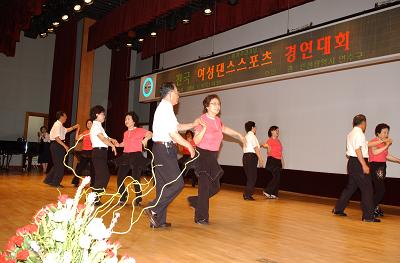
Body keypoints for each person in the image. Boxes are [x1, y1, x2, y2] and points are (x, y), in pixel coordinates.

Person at [188, 94, 246, 225]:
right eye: (214, 103)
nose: (217, 106)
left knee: (215, 187)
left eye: (218, 104)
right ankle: (201, 217)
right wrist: (204, 129)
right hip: (203, 154)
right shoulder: (201, 120)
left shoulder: (218, 121)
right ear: (207, 106)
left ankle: (195, 201)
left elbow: (225, 129)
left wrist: (238, 135)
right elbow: (195, 140)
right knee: (204, 187)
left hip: (213, 156)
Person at [145, 82, 196, 229]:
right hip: (165, 150)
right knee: (177, 184)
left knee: (163, 186)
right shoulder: (165, 109)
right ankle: (153, 208)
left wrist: (193, 124)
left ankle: (158, 220)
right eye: (177, 92)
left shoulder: (165, 108)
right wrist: (188, 145)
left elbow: (177, 127)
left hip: (161, 149)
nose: (179, 95)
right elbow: (173, 134)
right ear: (170, 93)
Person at [333, 114, 389, 222]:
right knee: (367, 188)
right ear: (363, 123)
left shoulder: (351, 133)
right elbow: (358, 149)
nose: (366, 125)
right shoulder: (359, 134)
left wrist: (382, 141)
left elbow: (366, 144)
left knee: (350, 188)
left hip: (352, 163)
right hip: (358, 163)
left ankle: (338, 209)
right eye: (366, 123)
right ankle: (368, 216)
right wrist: (364, 165)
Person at [115, 111, 152, 206]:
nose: (126, 120)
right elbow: (125, 143)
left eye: (128, 119)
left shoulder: (140, 130)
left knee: (136, 178)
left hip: (136, 156)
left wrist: (145, 139)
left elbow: (150, 133)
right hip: (125, 156)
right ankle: (123, 196)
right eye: (125, 119)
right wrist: (119, 144)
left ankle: (138, 199)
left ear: (133, 121)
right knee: (119, 178)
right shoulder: (125, 133)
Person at [368, 123, 399, 217]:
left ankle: (374, 208)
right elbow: (375, 152)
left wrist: (398, 161)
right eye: (384, 132)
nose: (386, 134)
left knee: (379, 189)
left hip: (382, 166)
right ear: (378, 133)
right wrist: (387, 144)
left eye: (387, 132)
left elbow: (386, 155)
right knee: (381, 190)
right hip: (375, 166)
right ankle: (370, 209)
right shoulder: (373, 141)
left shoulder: (383, 143)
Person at [89, 105, 118, 205]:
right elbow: (102, 138)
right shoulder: (95, 125)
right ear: (97, 114)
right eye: (102, 114)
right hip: (98, 153)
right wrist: (112, 145)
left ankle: (94, 198)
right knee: (103, 176)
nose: (104, 116)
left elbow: (106, 137)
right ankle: (93, 199)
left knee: (102, 176)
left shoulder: (99, 126)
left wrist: (112, 140)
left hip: (101, 153)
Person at [44, 111, 79, 187]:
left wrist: (74, 127)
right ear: (61, 116)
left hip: (57, 145)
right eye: (65, 116)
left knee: (57, 164)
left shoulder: (60, 125)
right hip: (57, 145)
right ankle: (55, 183)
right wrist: (65, 146)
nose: (66, 117)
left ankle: (48, 180)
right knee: (60, 165)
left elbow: (66, 130)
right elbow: (56, 138)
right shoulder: (57, 125)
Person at [242, 121, 264, 200]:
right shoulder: (252, 136)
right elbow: (255, 148)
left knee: (250, 177)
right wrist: (261, 159)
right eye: (255, 127)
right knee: (252, 177)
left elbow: (252, 147)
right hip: (251, 157)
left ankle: (246, 194)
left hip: (246, 157)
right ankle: (247, 195)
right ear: (252, 127)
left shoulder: (246, 136)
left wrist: (260, 145)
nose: (256, 129)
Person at [261, 126, 283, 199]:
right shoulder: (269, 140)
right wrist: (267, 147)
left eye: (278, 130)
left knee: (278, 177)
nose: (277, 132)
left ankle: (274, 194)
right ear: (272, 131)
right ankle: (267, 191)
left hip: (278, 161)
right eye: (276, 130)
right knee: (276, 177)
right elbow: (268, 152)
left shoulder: (278, 141)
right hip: (272, 160)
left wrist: (282, 162)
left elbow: (280, 153)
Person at [71, 119, 94, 187]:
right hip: (85, 152)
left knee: (93, 169)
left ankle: (93, 183)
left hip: (92, 152)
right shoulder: (85, 132)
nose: (89, 124)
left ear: (93, 124)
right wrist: (78, 129)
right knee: (80, 168)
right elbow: (77, 138)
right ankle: (75, 182)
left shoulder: (95, 133)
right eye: (88, 123)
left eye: (90, 123)